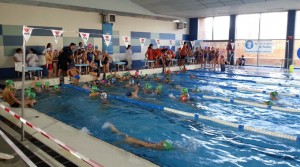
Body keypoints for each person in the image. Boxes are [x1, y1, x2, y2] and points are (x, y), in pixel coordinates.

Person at [102, 122, 173, 150]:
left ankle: (112, 127)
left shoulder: (154, 145)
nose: (159, 143)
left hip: (132, 140)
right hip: (131, 141)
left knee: (120, 133)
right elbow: (141, 143)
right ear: (160, 147)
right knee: (112, 146)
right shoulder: (151, 146)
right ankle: (112, 128)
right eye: (160, 144)